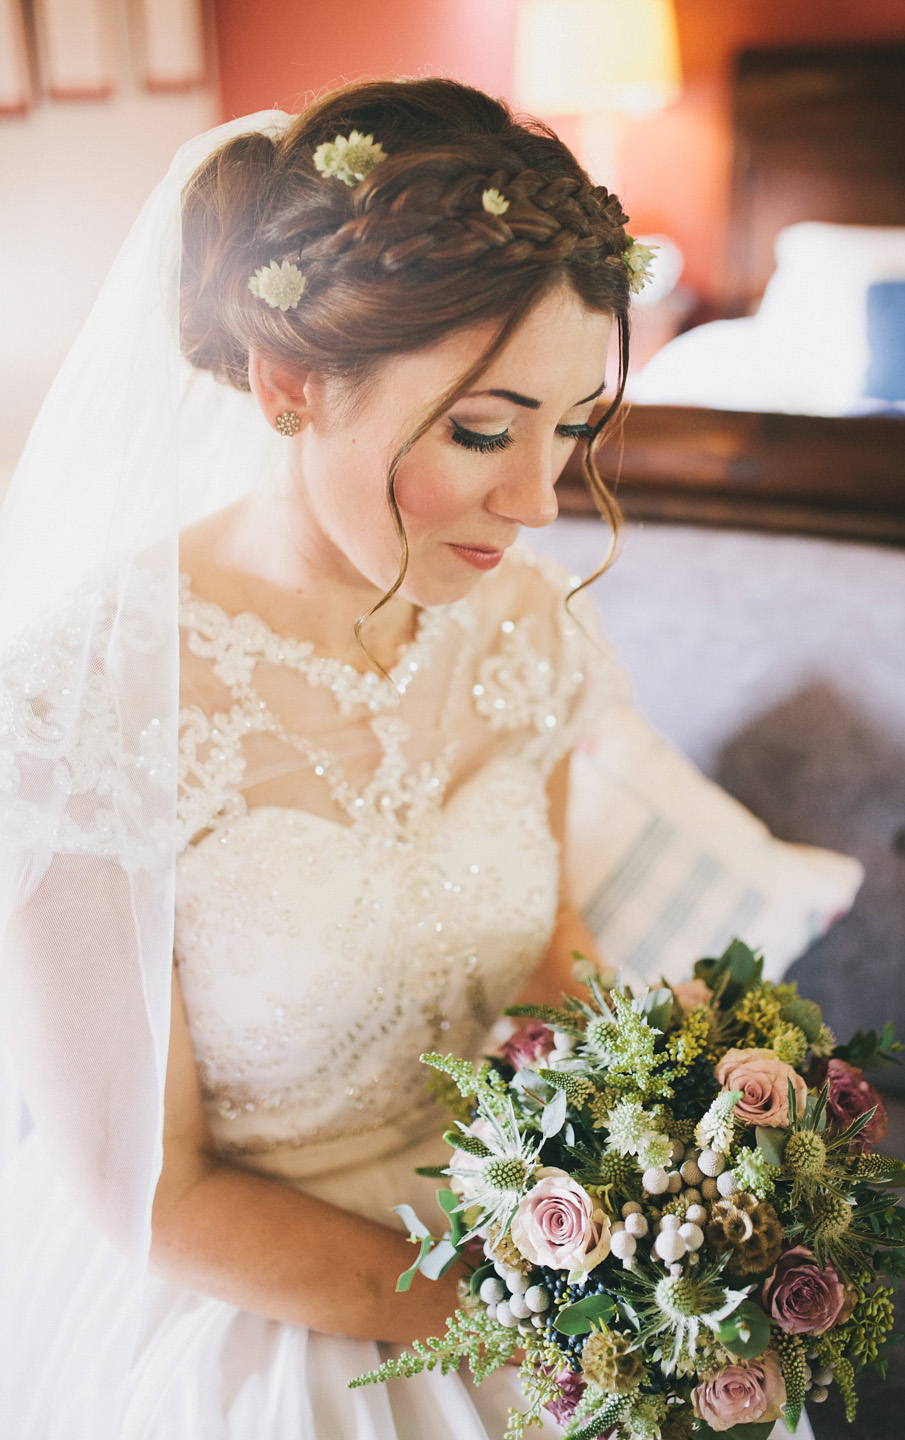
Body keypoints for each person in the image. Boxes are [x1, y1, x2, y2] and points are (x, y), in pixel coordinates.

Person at [0, 78, 812, 1440]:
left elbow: (545, 945)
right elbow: (154, 1192)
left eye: (571, 430)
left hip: (531, 1218)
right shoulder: (84, 704)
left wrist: (664, 1129)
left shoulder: (528, 627)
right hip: (258, 1296)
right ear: (290, 382)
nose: (539, 501)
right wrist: (524, 1306)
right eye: (485, 431)